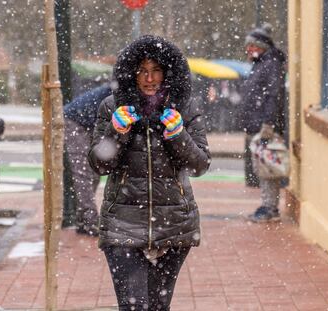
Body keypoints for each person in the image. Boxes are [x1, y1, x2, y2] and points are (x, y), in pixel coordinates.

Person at [88, 35, 211, 310]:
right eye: (142, 70)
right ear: (131, 73)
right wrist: (116, 132)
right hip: (123, 226)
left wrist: (178, 135)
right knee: (134, 306)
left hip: (174, 225)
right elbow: (99, 164)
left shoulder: (185, 107)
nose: (149, 78)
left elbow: (200, 165)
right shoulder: (111, 107)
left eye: (155, 70)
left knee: (158, 307)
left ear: (167, 73)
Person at [241, 23, 287, 222]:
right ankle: (267, 205)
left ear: (262, 46)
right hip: (257, 123)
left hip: (265, 126)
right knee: (262, 166)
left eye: (252, 46)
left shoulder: (271, 64)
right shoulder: (262, 64)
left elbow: (273, 96)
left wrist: (268, 124)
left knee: (267, 167)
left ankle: (270, 208)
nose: (249, 50)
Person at [63, 84, 112, 236]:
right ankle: (89, 220)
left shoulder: (119, 90)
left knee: (94, 171)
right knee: (83, 173)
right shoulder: (117, 92)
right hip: (76, 121)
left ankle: (83, 220)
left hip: (90, 123)